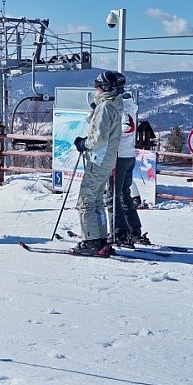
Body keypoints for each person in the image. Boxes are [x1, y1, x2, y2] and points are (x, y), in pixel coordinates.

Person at [72, 71, 125, 256]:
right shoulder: (115, 104)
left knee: (85, 200)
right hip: (107, 158)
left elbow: (99, 137)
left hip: (99, 158)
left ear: (105, 87)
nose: (95, 87)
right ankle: (101, 238)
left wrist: (84, 144)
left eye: (98, 84)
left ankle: (91, 241)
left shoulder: (105, 108)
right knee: (96, 200)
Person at [112, 88, 151, 247]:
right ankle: (133, 228)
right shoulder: (130, 107)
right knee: (124, 193)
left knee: (115, 195)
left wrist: (111, 136)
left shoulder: (124, 109)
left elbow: (127, 127)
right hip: (129, 155)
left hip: (120, 157)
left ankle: (120, 231)